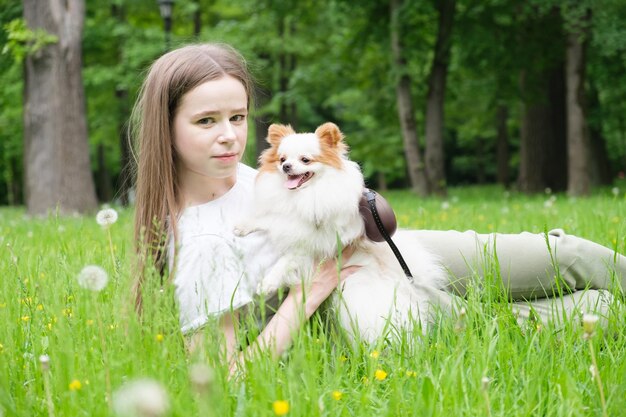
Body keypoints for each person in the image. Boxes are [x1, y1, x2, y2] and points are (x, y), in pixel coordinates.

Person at [130, 43, 625, 369]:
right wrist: (310, 292)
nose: (229, 136)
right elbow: (228, 374)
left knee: (564, 254)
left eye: (237, 116)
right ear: (166, 128)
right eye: (205, 121)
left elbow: (317, 170)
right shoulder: (199, 241)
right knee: (583, 313)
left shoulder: (250, 173)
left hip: (389, 247)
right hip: (356, 294)